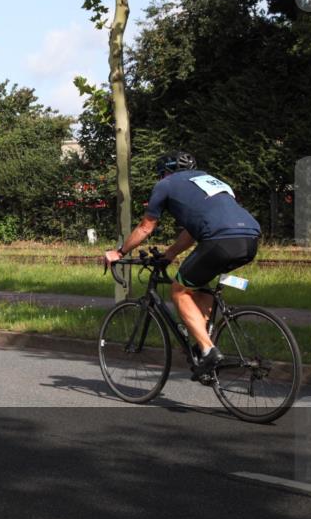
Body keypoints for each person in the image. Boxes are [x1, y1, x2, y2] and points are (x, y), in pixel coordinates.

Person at [103, 152, 261, 379]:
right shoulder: (213, 181)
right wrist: (169, 254)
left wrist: (119, 252)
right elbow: (192, 232)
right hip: (250, 239)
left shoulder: (165, 184)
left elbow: (146, 227)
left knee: (179, 289)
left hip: (219, 240)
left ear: (165, 172)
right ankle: (203, 342)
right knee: (200, 284)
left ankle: (208, 351)